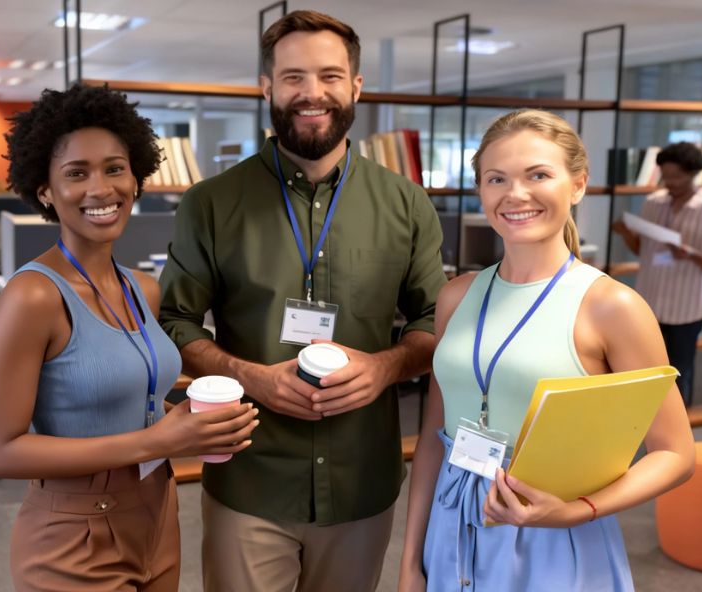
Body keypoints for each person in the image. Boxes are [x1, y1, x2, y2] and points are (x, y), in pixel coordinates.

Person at [158, 10, 447, 592]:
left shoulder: (407, 203)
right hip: (250, 478)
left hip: (361, 479)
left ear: (356, 86)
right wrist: (251, 377)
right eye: (292, 77)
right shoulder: (211, 203)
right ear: (267, 87)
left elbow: (433, 322)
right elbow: (175, 323)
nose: (311, 94)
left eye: (329, 76)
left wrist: (385, 366)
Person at [0, 84, 258, 592]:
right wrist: (158, 439)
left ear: (136, 176)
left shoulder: (142, 287)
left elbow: (133, 390)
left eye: (114, 167)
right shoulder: (34, 297)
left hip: (157, 515)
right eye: (76, 173)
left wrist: (192, 419)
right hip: (74, 536)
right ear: (45, 190)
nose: (101, 188)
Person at [399, 110, 695, 591]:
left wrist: (575, 511)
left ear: (577, 185)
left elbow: (676, 453)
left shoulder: (610, 306)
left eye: (538, 174)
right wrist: (411, 560)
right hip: (451, 525)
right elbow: (435, 433)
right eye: (497, 179)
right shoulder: (458, 294)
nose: (515, 194)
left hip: (551, 534)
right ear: (481, 190)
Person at [612, 141, 702, 405]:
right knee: (644, 369)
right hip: (650, 301)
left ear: (693, 173)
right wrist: (626, 234)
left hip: (687, 306)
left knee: (679, 372)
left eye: (676, 177)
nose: (670, 183)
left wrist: (690, 253)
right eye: (666, 177)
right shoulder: (653, 202)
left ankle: (678, 436)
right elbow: (641, 250)